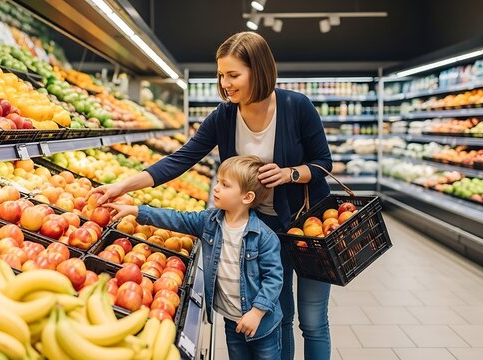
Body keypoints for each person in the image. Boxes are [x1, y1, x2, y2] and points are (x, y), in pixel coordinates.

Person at [90, 31, 333, 360]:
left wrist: (289, 173)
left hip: (305, 226)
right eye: (221, 75)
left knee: (313, 320)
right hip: (259, 231)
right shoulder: (224, 116)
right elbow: (180, 159)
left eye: (233, 75)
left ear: (258, 71)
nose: (225, 84)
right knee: (281, 317)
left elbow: (323, 164)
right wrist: (124, 186)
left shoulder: (295, 106)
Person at [106, 155, 284, 359]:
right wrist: (136, 210)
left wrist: (257, 312)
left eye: (225, 185)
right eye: (218, 181)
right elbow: (176, 218)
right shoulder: (209, 222)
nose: (216, 188)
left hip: (262, 325)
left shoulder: (264, 237)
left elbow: (274, 278)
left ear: (247, 198)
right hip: (231, 320)